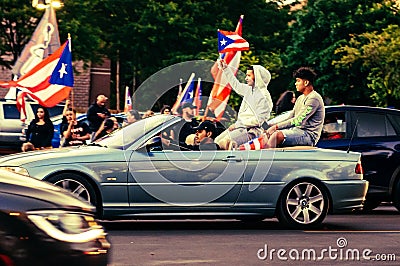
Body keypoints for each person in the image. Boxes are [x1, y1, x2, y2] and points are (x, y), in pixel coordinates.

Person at [214, 60, 273, 150]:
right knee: (216, 141)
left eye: (249, 75)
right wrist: (226, 69)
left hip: (252, 131)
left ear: (258, 77)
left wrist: (238, 125)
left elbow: (259, 120)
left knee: (224, 143)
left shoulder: (264, 96)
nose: (246, 78)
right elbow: (236, 85)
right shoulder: (249, 89)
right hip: (240, 127)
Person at [264, 67, 325, 148]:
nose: (295, 83)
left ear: (306, 82)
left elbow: (298, 120)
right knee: (266, 135)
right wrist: (270, 125)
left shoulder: (314, 98)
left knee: (276, 136)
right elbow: (290, 116)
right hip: (296, 131)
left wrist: (275, 127)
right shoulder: (300, 98)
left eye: (298, 81)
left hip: (309, 135)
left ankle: (266, 159)